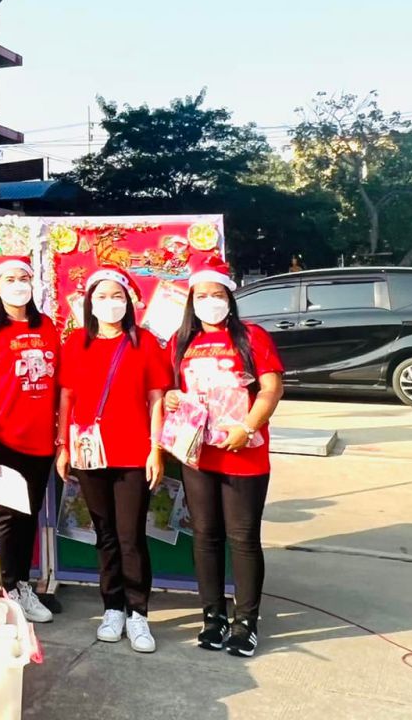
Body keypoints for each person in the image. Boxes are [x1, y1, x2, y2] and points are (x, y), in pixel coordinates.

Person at [165, 257, 284, 658]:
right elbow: (171, 390)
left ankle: (246, 622)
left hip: (243, 454)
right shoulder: (181, 341)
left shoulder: (252, 336)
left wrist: (247, 427)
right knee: (205, 535)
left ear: (229, 298)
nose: (209, 302)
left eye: (217, 295)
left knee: (243, 538)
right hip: (198, 455)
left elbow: (271, 389)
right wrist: (172, 398)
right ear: (191, 301)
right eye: (201, 296)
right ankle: (212, 616)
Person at [56, 267, 172, 653]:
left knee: (130, 535)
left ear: (129, 301)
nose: (110, 303)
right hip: (90, 454)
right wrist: (63, 446)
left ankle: (138, 613)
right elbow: (67, 397)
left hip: (133, 453)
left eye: (117, 296)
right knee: (104, 534)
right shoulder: (77, 342)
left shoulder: (145, 342)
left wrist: (155, 449)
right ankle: (112, 608)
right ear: (90, 303)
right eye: (102, 297)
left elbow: (156, 398)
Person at [0, 253, 60, 624]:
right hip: (5, 441)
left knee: (29, 516)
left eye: (24, 278)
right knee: (6, 520)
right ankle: (6, 590)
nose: (19, 285)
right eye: (10, 279)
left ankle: (22, 584)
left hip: (42, 441)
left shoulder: (47, 326)